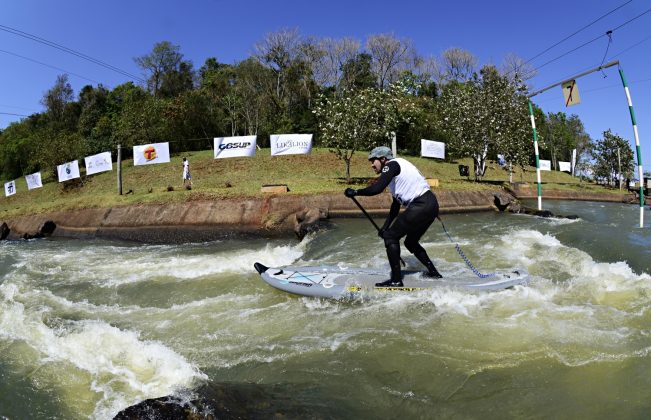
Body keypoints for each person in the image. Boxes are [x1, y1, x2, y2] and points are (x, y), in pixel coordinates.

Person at [344, 146, 442, 287]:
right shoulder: (397, 171)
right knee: (410, 242)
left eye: (373, 161)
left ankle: (396, 280)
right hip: (431, 205)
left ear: (383, 159)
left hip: (420, 205)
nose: (372, 165)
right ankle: (433, 272)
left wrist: (355, 191)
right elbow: (396, 205)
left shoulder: (391, 165)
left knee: (391, 237)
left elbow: (376, 189)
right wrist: (385, 227)